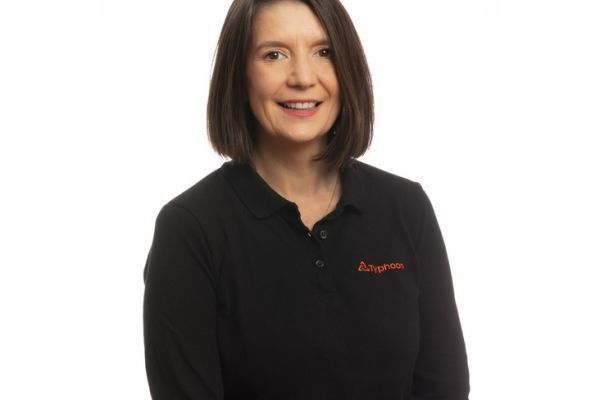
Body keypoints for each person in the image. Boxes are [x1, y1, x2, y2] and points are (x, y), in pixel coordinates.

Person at [142, 0, 470, 398]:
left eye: (323, 51)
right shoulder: (190, 229)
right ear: (239, 74)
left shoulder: (406, 207)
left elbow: (444, 387)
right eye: (274, 55)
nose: (302, 77)